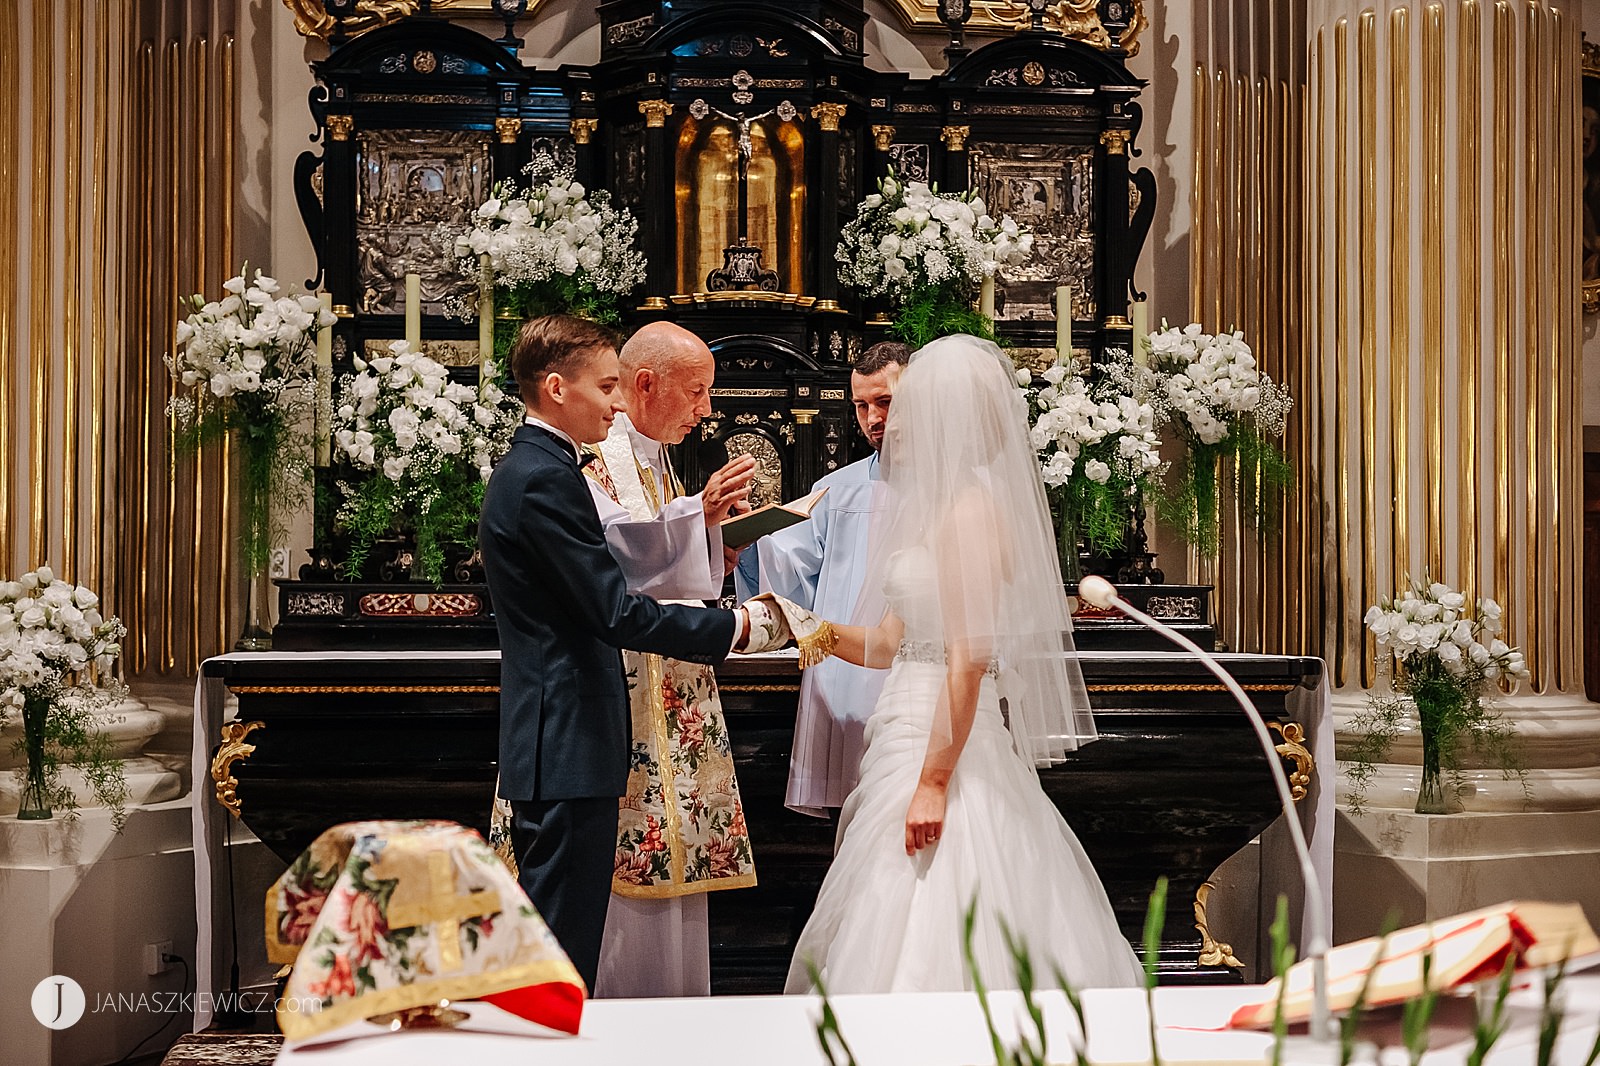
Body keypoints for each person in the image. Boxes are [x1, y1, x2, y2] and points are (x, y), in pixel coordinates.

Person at [784, 335, 1142, 994]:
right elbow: (891, 644)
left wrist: (933, 782)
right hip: (903, 724)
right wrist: (805, 629)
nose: (895, 428)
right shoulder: (929, 509)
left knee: (938, 899)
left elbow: (969, 659)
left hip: (945, 747)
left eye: (912, 413)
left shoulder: (973, 511)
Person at [479, 314, 755, 992]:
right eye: (607, 388)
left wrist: (705, 538)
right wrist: (740, 629)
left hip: (572, 738)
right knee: (559, 952)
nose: (615, 406)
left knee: (562, 944)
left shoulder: (547, 468)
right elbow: (610, 603)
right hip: (568, 739)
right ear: (556, 388)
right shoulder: (549, 476)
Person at [582, 321, 760, 998]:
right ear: (647, 384)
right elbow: (615, 553)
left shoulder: (652, 454)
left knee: (675, 860)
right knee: (627, 861)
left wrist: (717, 546)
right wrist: (698, 516)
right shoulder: (601, 452)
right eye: (697, 392)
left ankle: (673, 1012)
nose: (706, 410)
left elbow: (665, 564)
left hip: (666, 670)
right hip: (621, 684)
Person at [734, 340, 911, 817]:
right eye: (860, 405)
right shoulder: (835, 489)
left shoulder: (956, 491)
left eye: (884, 402)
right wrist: (742, 537)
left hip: (921, 667)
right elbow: (787, 563)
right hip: (848, 665)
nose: (872, 418)